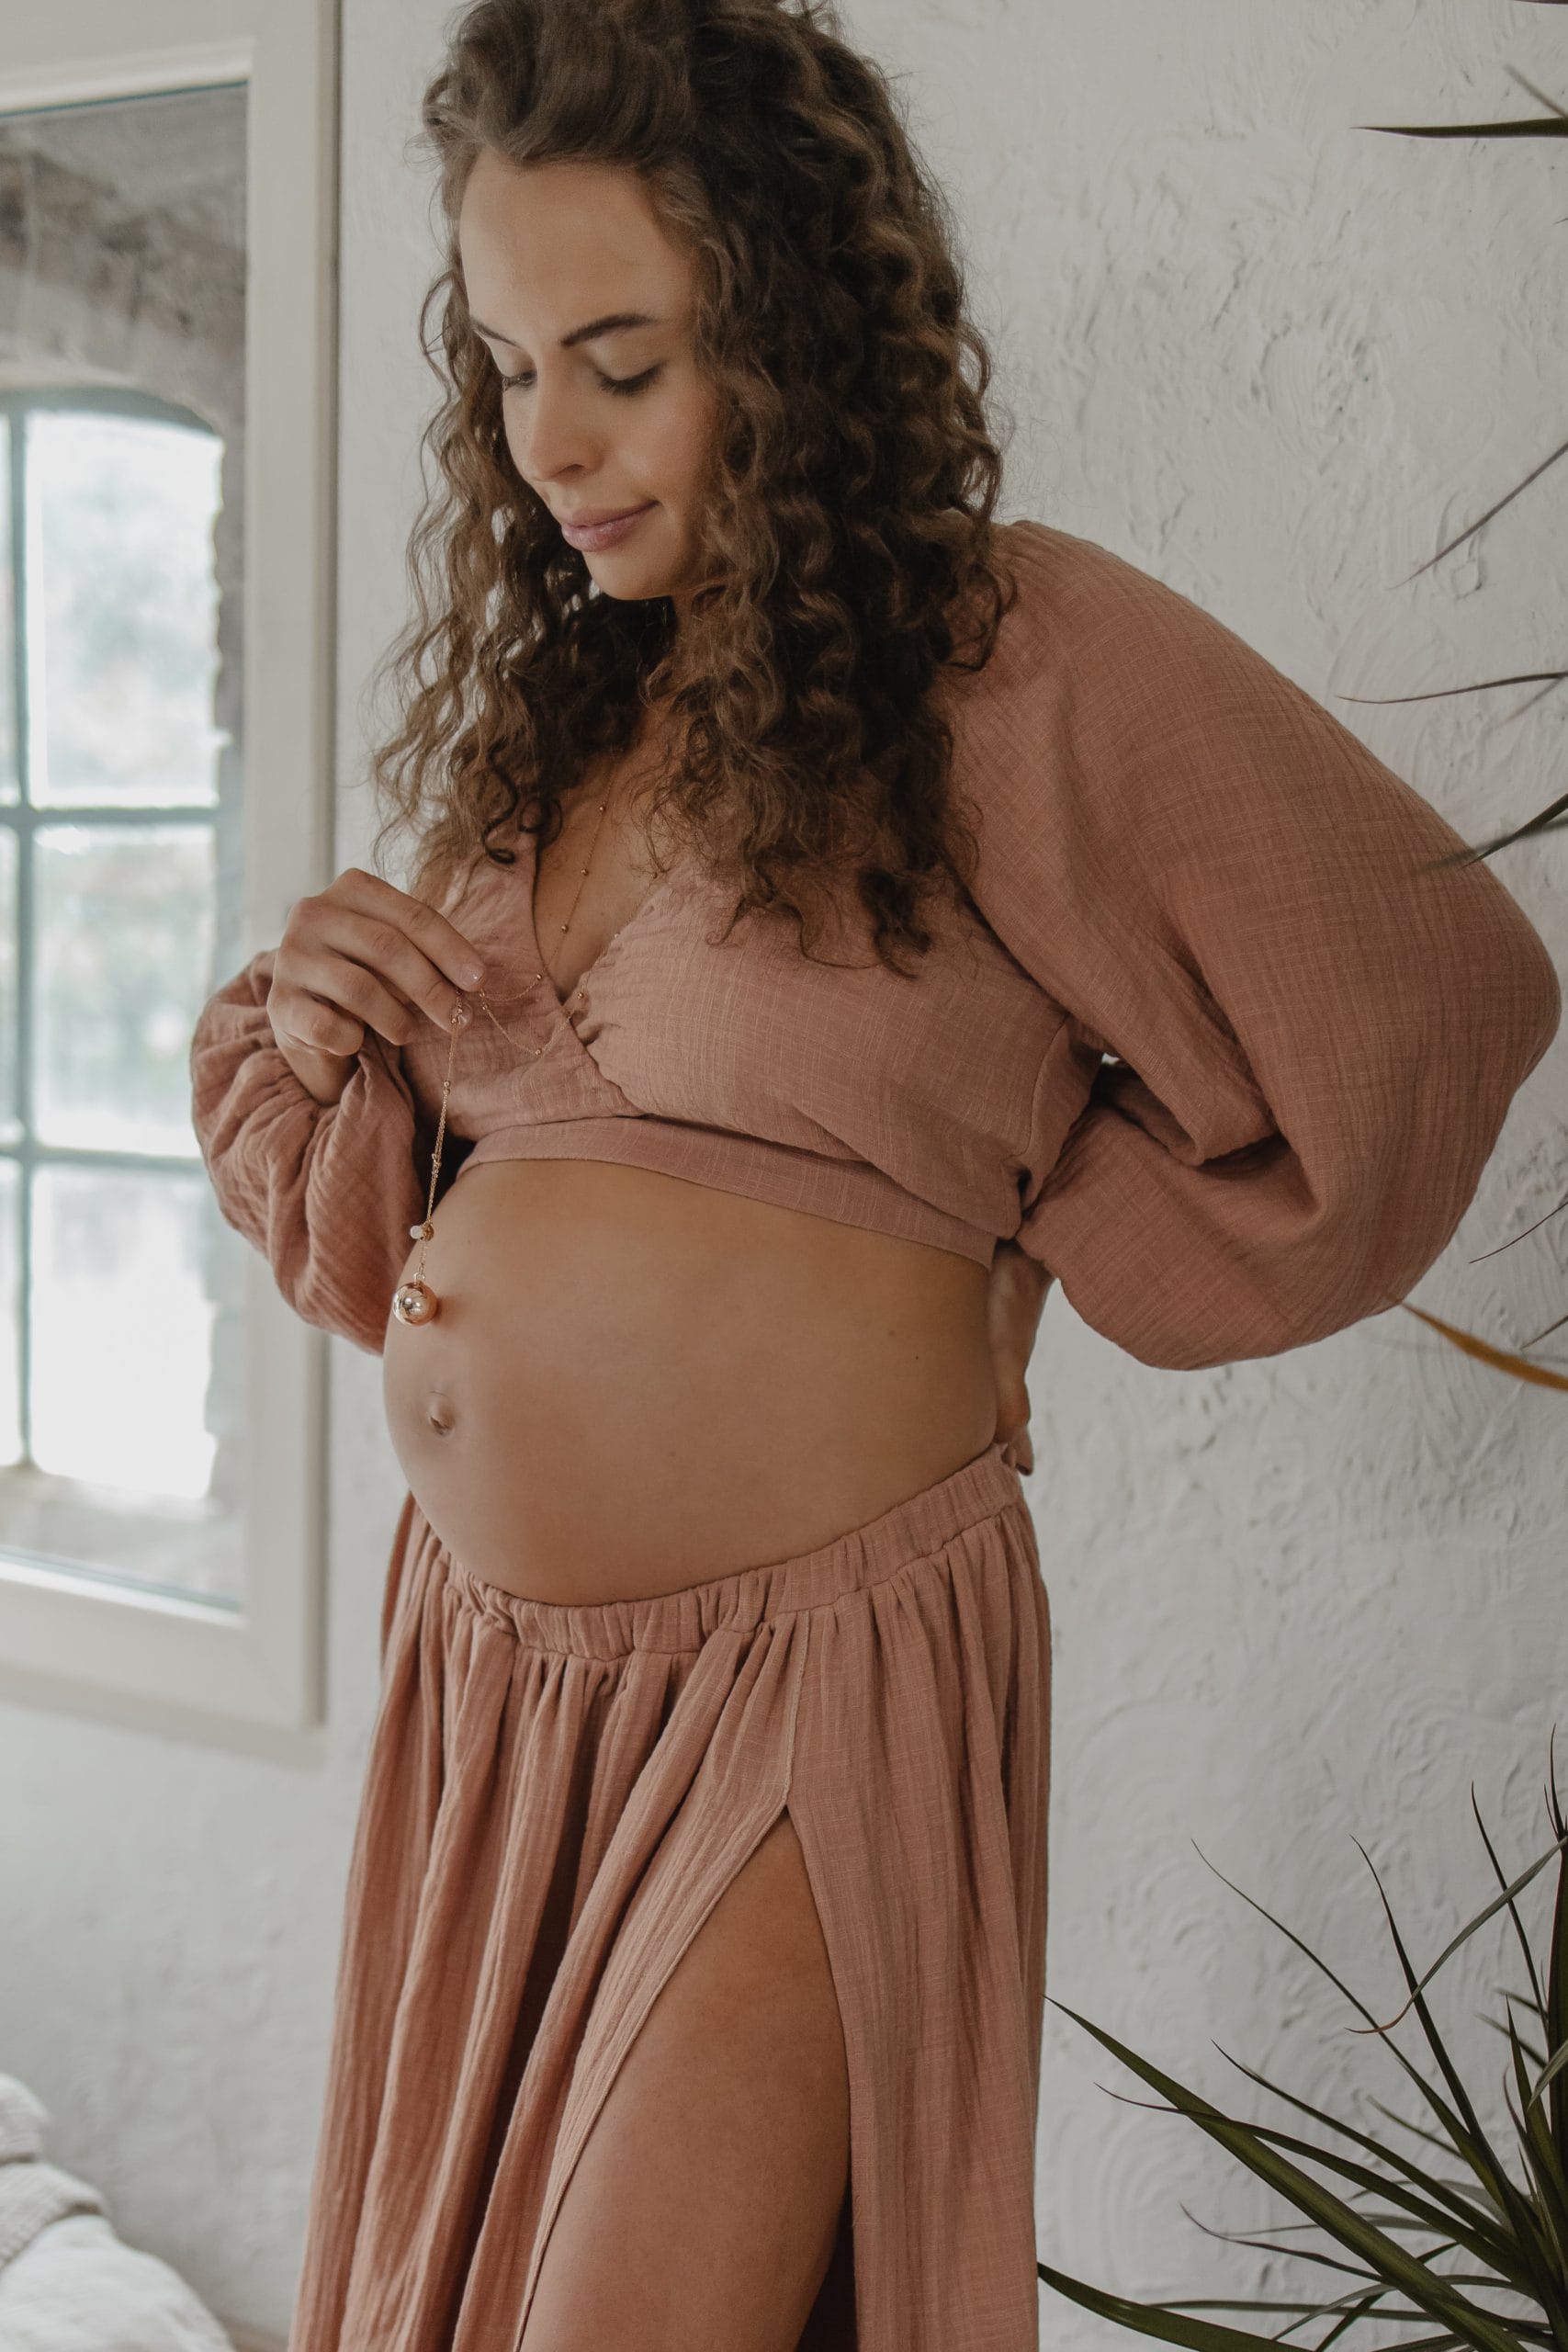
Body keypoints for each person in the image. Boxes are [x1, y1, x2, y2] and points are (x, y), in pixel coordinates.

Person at [187, 1, 1562, 2346]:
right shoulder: (571, 720)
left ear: (793, 330)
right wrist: (328, 1025)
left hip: (799, 1692)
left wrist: (1060, 1198)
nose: (551, 443)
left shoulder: (1001, 655)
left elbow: (1424, 988)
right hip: (494, 1697)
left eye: (621, 360)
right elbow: (423, 1220)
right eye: (505, 368)